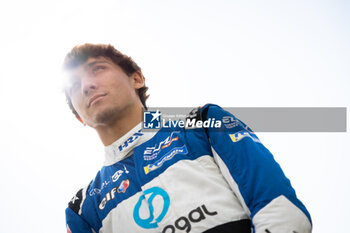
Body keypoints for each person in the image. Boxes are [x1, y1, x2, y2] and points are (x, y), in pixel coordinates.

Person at [63, 43, 312, 233]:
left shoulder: (203, 122)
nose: (86, 86)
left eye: (97, 69)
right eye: (74, 85)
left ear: (136, 78)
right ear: (79, 118)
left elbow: (278, 206)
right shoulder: (83, 208)